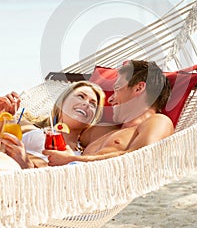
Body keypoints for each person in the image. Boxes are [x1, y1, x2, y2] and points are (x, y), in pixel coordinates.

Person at [43, 60, 174, 166]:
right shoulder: (103, 131)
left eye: (117, 89)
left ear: (139, 88)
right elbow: (63, 127)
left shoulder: (159, 121)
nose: (110, 99)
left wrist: (70, 159)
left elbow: (141, 156)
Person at [0, 81, 106, 169]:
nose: (86, 104)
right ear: (62, 102)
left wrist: (28, 165)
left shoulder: (85, 155)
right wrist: (3, 117)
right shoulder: (32, 133)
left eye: (93, 104)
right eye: (81, 96)